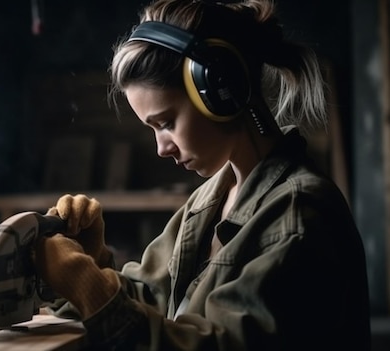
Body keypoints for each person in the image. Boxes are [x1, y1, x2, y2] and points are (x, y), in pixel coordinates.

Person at [33, 0, 372, 350]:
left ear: (218, 91)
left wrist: (91, 290)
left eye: (166, 123)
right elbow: (152, 298)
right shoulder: (210, 200)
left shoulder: (296, 217)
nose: (161, 148)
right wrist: (91, 264)